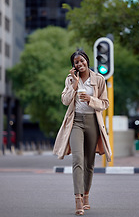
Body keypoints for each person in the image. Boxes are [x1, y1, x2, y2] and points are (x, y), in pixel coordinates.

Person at [53, 50, 112, 216]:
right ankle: (78, 199)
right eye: (76, 62)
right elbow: (65, 101)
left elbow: (105, 104)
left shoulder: (99, 79)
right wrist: (73, 86)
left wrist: (90, 100)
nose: (80, 64)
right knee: (78, 159)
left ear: (87, 61)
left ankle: (86, 195)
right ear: (74, 65)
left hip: (93, 122)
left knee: (89, 162)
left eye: (82, 60)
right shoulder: (71, 79)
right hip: (76, 122)